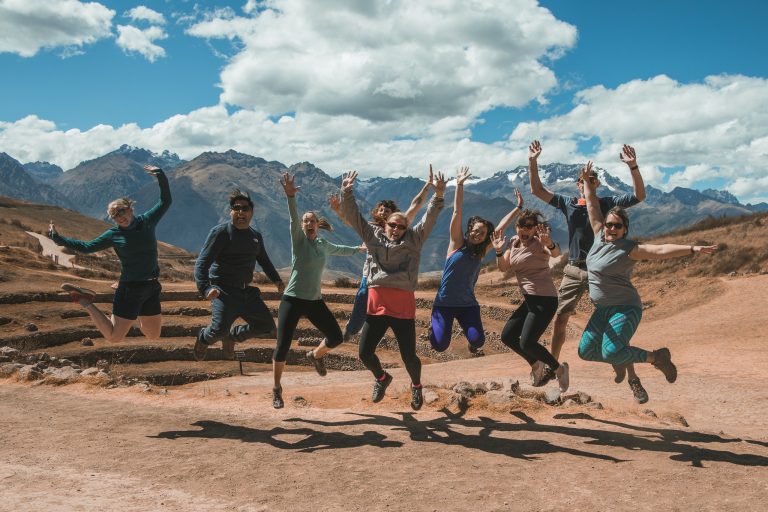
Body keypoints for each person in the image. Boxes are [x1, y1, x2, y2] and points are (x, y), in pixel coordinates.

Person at [578, 163, 717, 402]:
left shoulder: (630, 249)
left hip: (625, 308)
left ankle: (658, 357)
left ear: (624, 230)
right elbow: (591, 204)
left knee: (611, 350)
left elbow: (661, 250)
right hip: (602, 309)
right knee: (586, 351)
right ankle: (620, 359)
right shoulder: (599, 233)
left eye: (617, 226)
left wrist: (693, 248)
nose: (611, 228)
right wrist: (587, 183)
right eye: (610, 224)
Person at [528, 140, 647, 399]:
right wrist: (533, 161)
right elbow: (537, 190)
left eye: (592, 179)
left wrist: (633, 166)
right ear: (577, 184)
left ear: (598, 184)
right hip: (573, 269)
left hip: (601, 273)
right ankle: (553, 366)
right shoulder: (568, 203)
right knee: (560, 318)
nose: (588, 182)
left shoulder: (609, 204)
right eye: (583, 179)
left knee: (614, 325)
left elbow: (639, 195)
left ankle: (633, 378)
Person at [340, 169, 446, 410]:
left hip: (402, 309)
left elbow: (429, 217)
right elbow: (353, 215)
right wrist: (346, 191)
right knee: (364, 353)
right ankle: (382, 378)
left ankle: (416, 386)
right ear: (384, 224)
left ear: (406, 228)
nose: (396, 229)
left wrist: (438, 196)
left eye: (401, 226)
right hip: (376, 307)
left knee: (409, 356)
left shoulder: (414, 240)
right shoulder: (372, 236)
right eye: (392, 225)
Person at [271, 173, 364, 409]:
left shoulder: (323, 244)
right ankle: (276, 388)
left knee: (337, 337)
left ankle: (316, 355)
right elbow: (292, 217)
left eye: (312, 220)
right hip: (292, 299)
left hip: (314, 301)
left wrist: (359, 248)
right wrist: (291, 197)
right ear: (302, 226)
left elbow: (341, 249)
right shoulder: (298, 240)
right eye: (305, 221)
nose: (308, 223)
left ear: (317, 224)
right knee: (282, 345)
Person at [49, 165, 171, 343]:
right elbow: (87, 247)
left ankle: (134, 312)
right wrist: (58, 238)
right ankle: (85, 301)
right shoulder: (114, 235)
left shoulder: (147, 221)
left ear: (129, 209)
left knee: (153, 335)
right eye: (114, 216)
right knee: (114, 337)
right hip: (130, 289)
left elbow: (165, 201)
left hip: (152, 287)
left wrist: (160, 175)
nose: (120, 217)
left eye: (121, 211)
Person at [328, 166, 435, 341]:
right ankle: (352, 329)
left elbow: (415, 205)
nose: (384, 212)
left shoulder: (401, 226)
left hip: (394, 276)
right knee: (363, 298)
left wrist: (427, 186)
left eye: (388, 210)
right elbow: (350, 220)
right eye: (381, 209)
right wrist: (338, 209)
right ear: (376, 212)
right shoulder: (370, 229)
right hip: (371, 274)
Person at [428, 167, 524, 356]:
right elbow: (457, 211)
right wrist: (460, 184)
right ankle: (433, 330)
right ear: (469, 229)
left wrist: (518, 208)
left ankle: (472, 343)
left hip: (467, 305)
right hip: (444, 304)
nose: (478, 235)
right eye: (475, 230)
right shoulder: (456, 243)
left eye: (482, 233)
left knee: (478, 341)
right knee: (439, 346)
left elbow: (501, 228)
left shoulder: (481, 252)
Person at [194, 189, 284, 362]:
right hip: (223, 292)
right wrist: (205, 288)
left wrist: (277, 279)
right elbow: (202, 263)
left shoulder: (255, 236)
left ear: (251, 212)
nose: (241, 212)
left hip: (246, 293)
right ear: (231, 211)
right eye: (237, 208)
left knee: (267, 327)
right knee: (217, 331)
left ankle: (233, 336)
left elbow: (264, 260)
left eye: (245, 208)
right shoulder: (220, 233)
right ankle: (202, 338)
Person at [492, 210, 569, 392]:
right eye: (521, 225)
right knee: (507, 336)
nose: (524, 230)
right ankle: (536, 364)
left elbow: (556, 253)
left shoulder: (539, 243)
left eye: (529, 226)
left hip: (545, 300)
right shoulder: (513, 242)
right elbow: (503, 267)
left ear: (535, 229)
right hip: (530, 301)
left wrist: (549, 243)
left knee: (527, 342)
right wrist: (498, 250)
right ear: (516, 227)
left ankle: (559, 370)